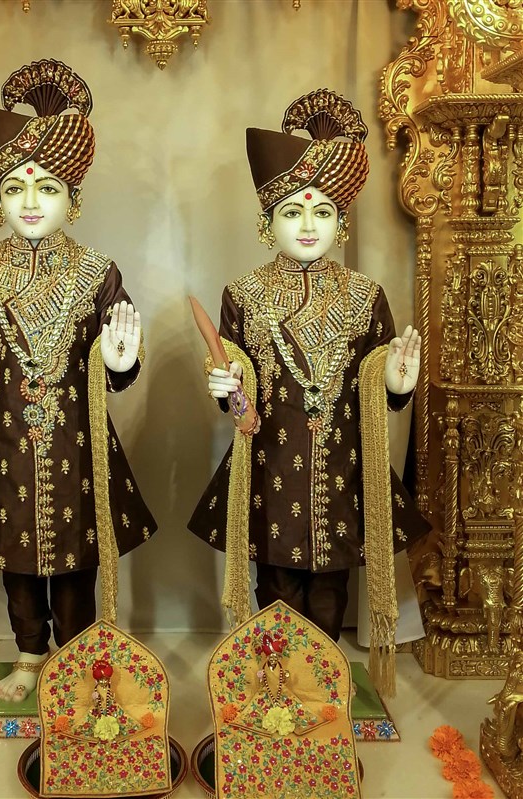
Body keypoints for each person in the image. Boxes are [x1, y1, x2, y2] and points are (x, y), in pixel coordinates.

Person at [0, 59, 155, 709]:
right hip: (4, 442)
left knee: (75, 556)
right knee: (18, 556)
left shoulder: (98, 271)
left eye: (46, 188)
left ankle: (75, 658)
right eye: (16, 187)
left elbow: (121, 357)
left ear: (72, 198)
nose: (30, 202)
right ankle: (28, 654)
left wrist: (121, 358)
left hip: (76, 441)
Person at [188, 89, 430, 650]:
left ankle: (322, 675)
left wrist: (395, 383)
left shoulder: (365, 294)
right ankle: (280, 677)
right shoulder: (244, 293)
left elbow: (380, 376)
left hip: (343, 465)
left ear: (340, 223)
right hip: (271, 461)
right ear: (267, 222)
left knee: (330, 588)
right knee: (276, 583)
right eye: (292, 211)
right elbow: (232, 372)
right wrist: (226, 385)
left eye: (322, 212)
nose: (307, 225)